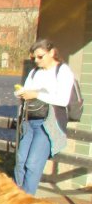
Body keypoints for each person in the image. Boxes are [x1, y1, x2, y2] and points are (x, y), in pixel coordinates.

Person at [14, 39, 75, 195]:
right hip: (29, 120)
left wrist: (37, 94)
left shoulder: (63, 71)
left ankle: (27, 200)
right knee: (21, 161)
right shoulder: (35, 72)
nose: (36, 60)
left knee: (33, 163)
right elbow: (27, 91)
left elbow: (62, 100)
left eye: (40, 57)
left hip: (48, 122)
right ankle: (16, 196)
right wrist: (22, 93)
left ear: (52, 53)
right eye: (34, 57)